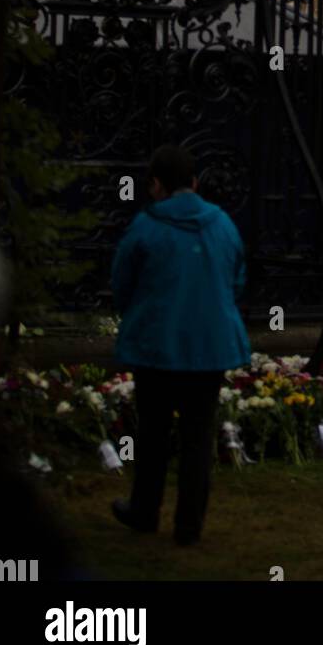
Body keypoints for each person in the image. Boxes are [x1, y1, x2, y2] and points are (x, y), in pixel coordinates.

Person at [110, 144, 250, 545]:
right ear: (194, 182)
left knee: (153, 434)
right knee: (197, 437)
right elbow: (236, 277)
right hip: (209, 346)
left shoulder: (146, 226)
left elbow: (122, 284)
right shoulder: (221, 223)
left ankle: (145, 510)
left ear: (155, 184)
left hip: (157, 344)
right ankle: (189, 525)